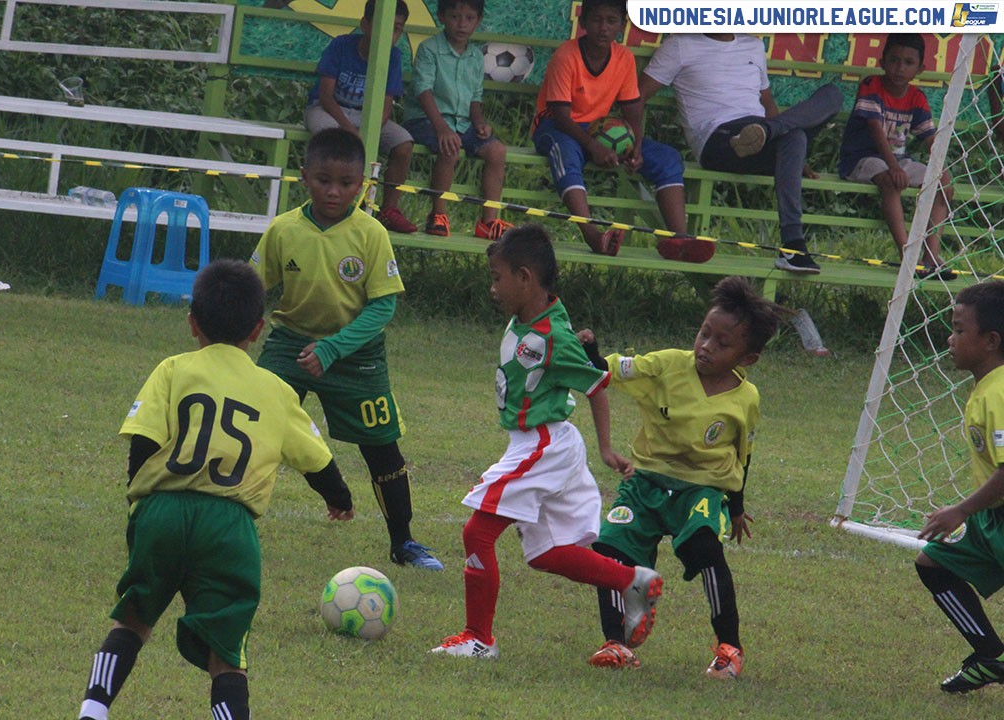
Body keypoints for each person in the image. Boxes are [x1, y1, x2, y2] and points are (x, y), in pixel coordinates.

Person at [75, 259, 355, 720]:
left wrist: (141, 502)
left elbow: (143, 441)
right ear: (258, 330)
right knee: (227, 653)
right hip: (230, 527)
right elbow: (318, 460)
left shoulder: (172, 370)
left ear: (192, 323)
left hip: (162, 510)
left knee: (134, 619)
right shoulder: (276, 390)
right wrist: (338, 498)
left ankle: (93, 709)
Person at [429, 224, 663, 660]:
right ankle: (633, 581)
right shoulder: (533, 316)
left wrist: (607, 449)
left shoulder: (551, 335)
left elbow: (597, 385)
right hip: (539, 443)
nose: (492, 288)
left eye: (498, 278)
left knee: (477, 532)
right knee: (547, 553)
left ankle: (478, 639)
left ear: (525, 278)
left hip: (543, 444)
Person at [250, 127, 444, 571]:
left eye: (346, 184)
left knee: (383, 449)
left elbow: (382, 307)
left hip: (356, 353)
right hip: (291, 345)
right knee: (259, 429)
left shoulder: (371, 234)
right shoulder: (283, 230)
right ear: (304, 177)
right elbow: (250, 287)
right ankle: (230, 526)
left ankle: (404, 543)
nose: (334, 192)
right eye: (323, 181)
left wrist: (333, 349)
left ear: (363, 184)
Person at [577, 276, 786, 678]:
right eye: (704, 334)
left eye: (722, 344)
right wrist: (591, 350)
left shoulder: (746, 400)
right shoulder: (668, 364)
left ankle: (729, 648)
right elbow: (608, 371)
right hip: (644, 483)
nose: (706, 346)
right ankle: (616, 643)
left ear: (748, 358)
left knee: (706, 548)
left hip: (701, 490)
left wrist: (737, 508)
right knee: (608, 549)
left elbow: (743, 456)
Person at [639, 34, 844, 274]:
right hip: (720, 140)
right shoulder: (681, 45)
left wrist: (793, 156)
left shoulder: (753, 45)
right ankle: (794, 245)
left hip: (760, 133)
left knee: (832, 95)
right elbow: (638, 95)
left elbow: (767, 103)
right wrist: (632, 142)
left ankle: (769, 132)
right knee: (795, 135)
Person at [531, 0, 687, 257]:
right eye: (596, 20)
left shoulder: (623, 57)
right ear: (582, 23)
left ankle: (680, 241)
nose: (603, 28)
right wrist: (593, 146)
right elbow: (560, 115)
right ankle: (592, 234)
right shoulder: (566, 55)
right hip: (559, 127)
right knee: (566, 154)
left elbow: (632, 108)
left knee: (668, 158)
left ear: (622, 25)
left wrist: (636, 146)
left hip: (602, 130)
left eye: (611, 21)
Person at [915, 280, 1004, 693]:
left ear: (990, 341)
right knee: (933, 563)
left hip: (994, 516)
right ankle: (991, 655)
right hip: (992, 520)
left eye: (958, 330)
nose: (949, 339)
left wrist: (961, 510)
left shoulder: (1001, 392)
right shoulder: (987, 387)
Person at [839, 34, 955, 280]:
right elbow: (875, 130)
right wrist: (894, 167)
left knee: (942, 184)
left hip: (898, 160)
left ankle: (931, 257)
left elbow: (929, 138)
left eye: (908, 62)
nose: (900, 68)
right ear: (882, 62)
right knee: (891, 182)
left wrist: (941, 168)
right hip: (861, 158)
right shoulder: (871, 85)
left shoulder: (916, 97)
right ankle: (907, 255)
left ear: (920, 68)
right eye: (894, 60)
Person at [402, 0, 513, 240]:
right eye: (454, 17)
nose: (462, 24)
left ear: (478, 21)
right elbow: (423, 90)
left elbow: (474, 98)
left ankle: (489, 221)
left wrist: (480, 123)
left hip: (462, 122)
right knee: (450, 146)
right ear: (441, 17)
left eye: (469, 18)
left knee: (497, 151)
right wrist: (441, 128)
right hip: (427, 119)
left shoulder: (475, 55)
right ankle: (438, 215)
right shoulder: (429, 49)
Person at [305, 0, 417, 234]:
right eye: (383, 26)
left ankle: (388, 209)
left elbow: (386, 108)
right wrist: (351, 132)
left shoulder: (393, 57)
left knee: (404, 143)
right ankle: (327, 204)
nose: (389, 34)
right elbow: (326, 96)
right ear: (365, 24)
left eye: (396, 29)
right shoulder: (341, 46)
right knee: (330, 137)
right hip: (329, 111)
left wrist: (369, 132)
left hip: (369, 117)